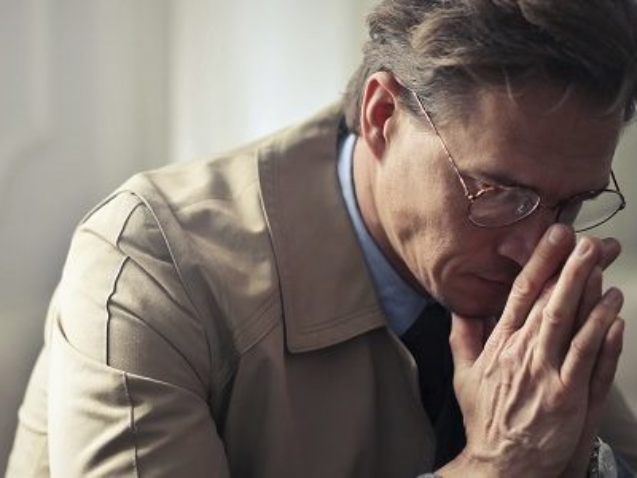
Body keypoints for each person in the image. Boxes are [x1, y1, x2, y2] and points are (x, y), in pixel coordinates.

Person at [6, 0, 637, 476]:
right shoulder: (150, 266)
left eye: (573, 202)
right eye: (497, 192)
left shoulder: (521, 258)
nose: (535, 247)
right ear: (383, 115)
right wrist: (498, 465)